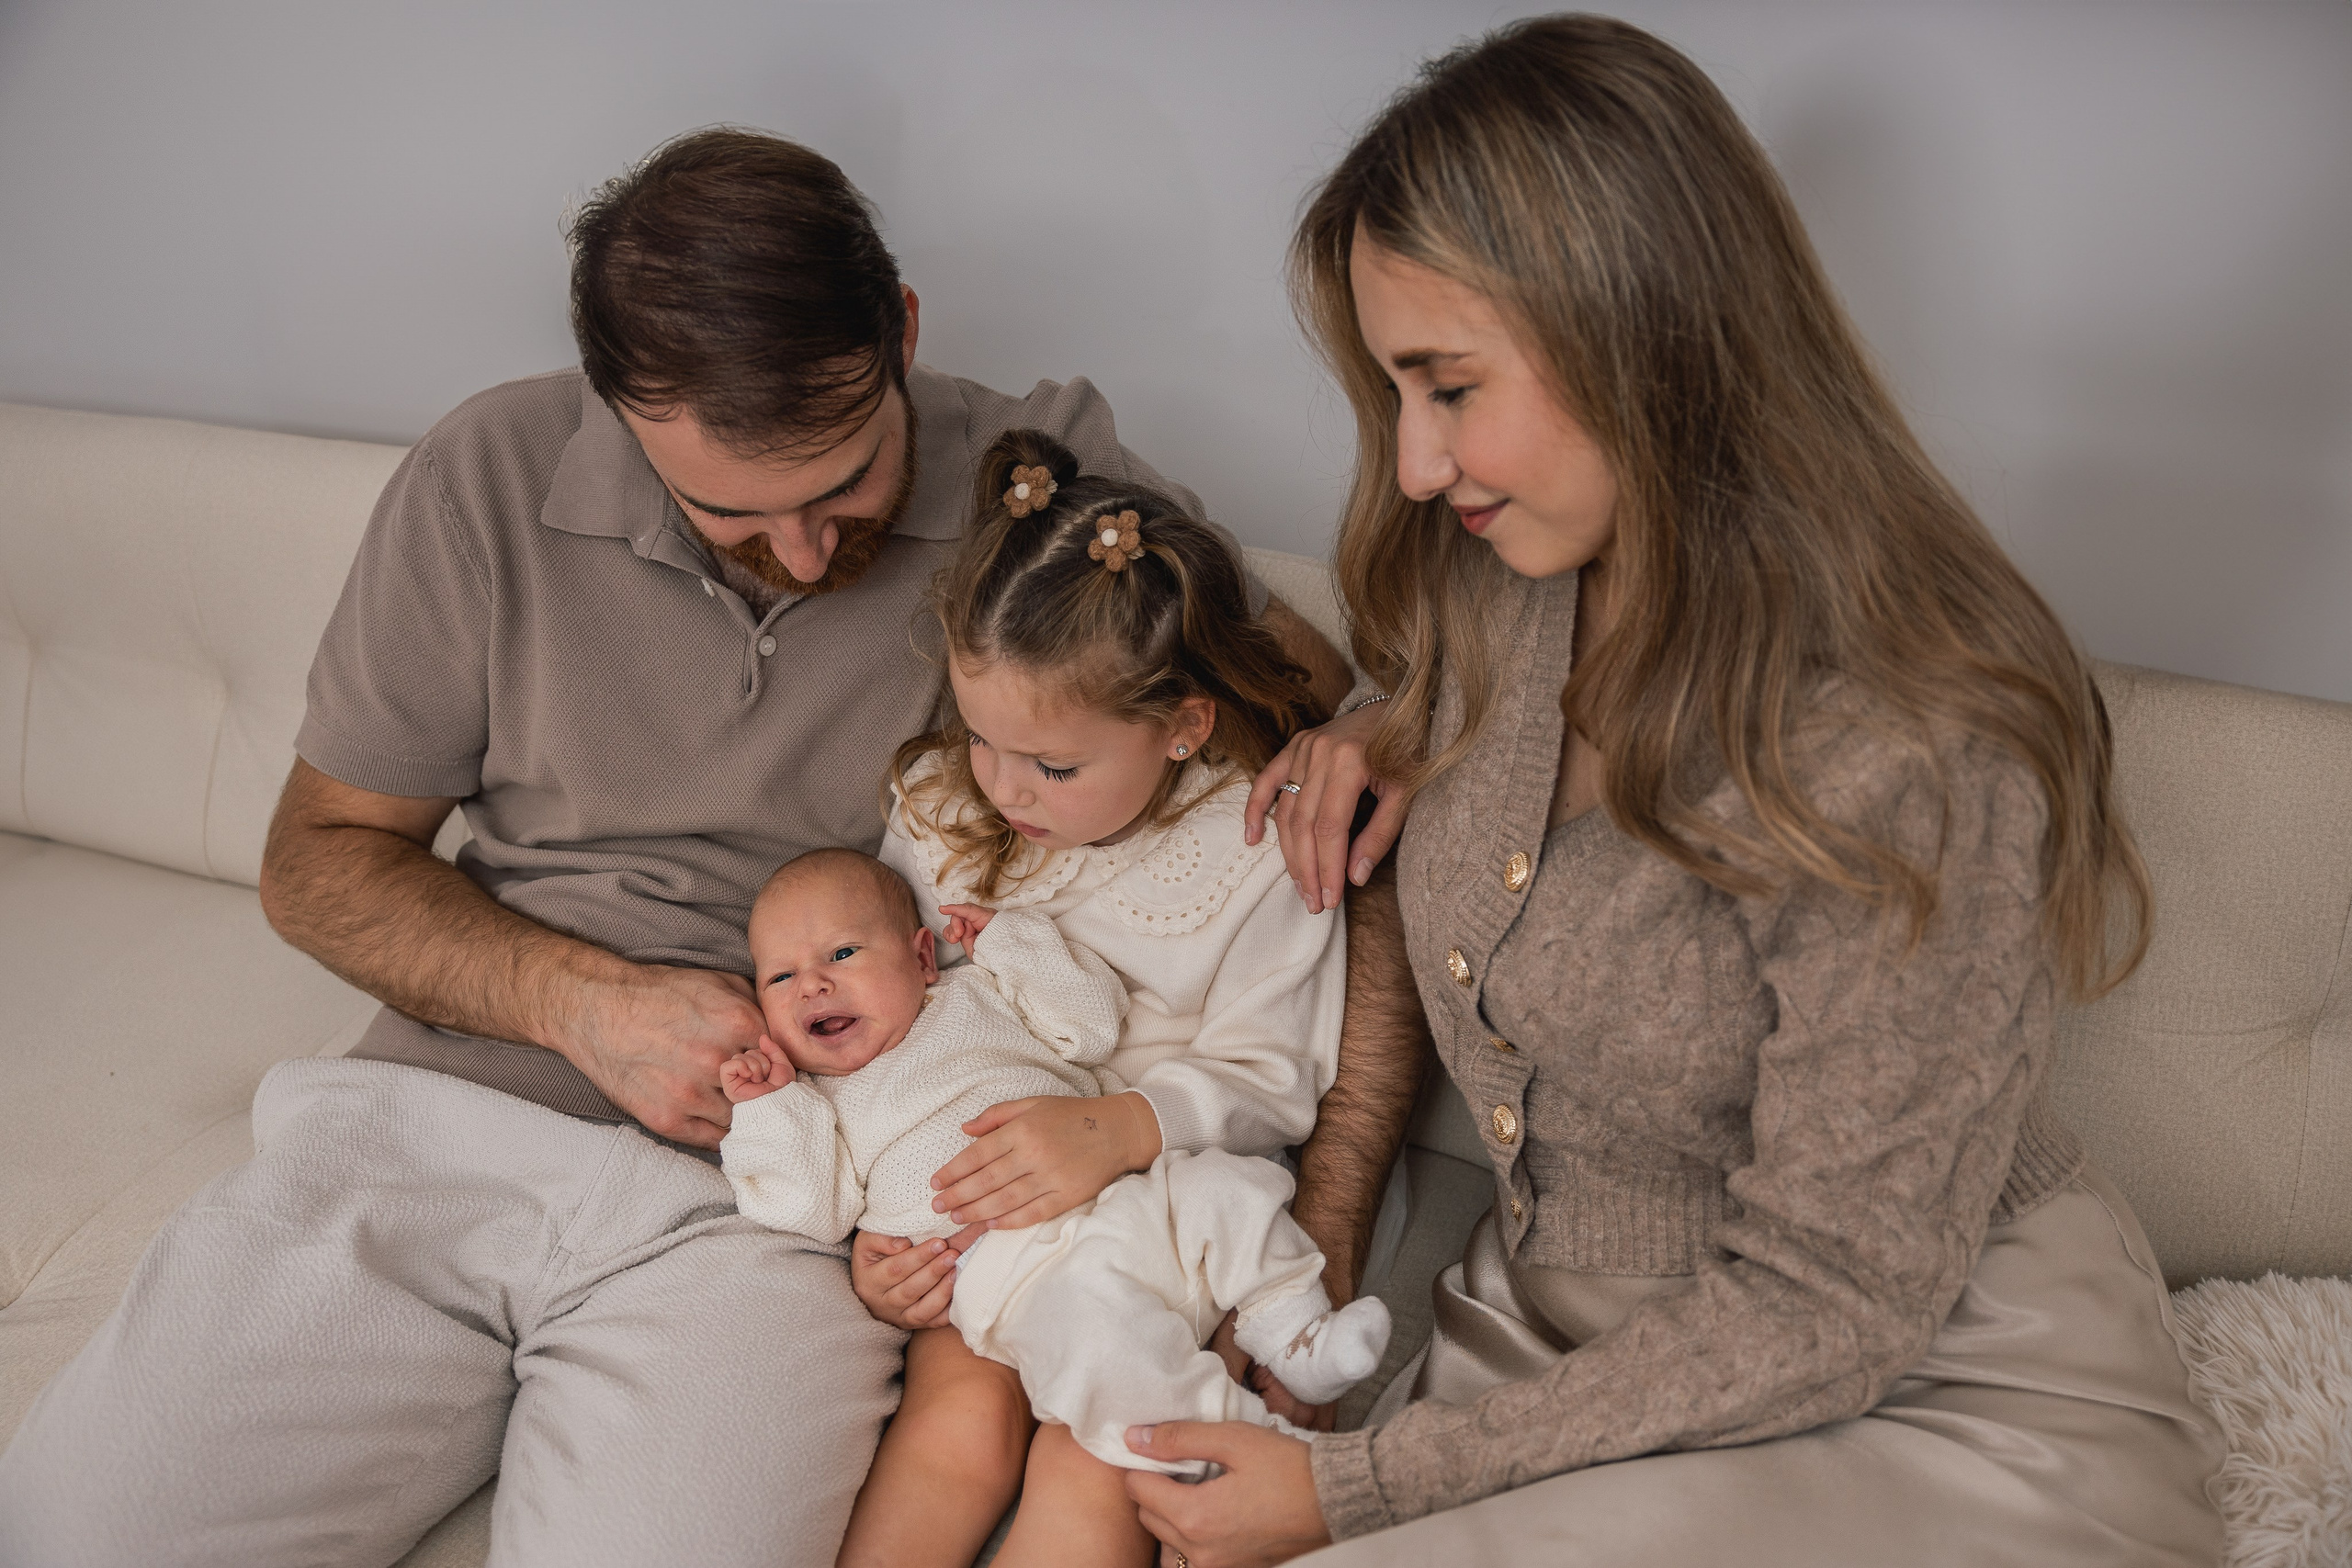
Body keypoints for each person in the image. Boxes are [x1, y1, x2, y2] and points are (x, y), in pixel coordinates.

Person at [0, 130, 1355, 1567]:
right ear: (617, 408)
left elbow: (1288, 689)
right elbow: (318, 859)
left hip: (776, 1206)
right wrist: (582, 1002)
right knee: (84, 1531)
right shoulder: (485, 474)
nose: (810, 553)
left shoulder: (1032, 480)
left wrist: (1375, 732)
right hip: (431, 1128)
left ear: (901, 331)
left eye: (848, 484)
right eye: (731, 511)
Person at [1121, 16, 2228, 1567]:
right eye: (1396, 392)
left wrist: (1358, 1487)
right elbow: (1462, 724)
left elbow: (1835, 1295)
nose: (1418, 463)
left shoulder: (1901, 743)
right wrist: (1386, 726)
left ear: (1635, 330)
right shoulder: (1510, 574)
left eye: (1450, 386)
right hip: (1552, 1350)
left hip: (1928, 1388)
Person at [837, 430, 1360, 1568]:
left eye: (1054, 767)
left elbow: (1273, 1078)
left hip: (1157, 1210)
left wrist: (1121, 1127)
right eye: (982, 737)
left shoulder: (1255, 848)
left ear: (1182, 728)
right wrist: (876, 1241)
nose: (1003, 788)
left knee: (1100, 1455)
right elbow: (887, 1032)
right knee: (955, 1423)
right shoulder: (939, 806)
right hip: (988, 1223)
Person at [717, 850, 1390, 1486]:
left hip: (1119, 1193)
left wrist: (1012, 947)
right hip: (1018, 1275)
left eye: (842, 953)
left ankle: (1297, 1333)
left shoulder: (979, 992)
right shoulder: (815, 1106)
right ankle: (1235, 1434)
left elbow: (1091, 1026)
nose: (813, 984)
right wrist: (768, 1107)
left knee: (1231, 1186)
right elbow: (807, 1208)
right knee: (1101, 1352)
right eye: (780, 978)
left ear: (922, 957)